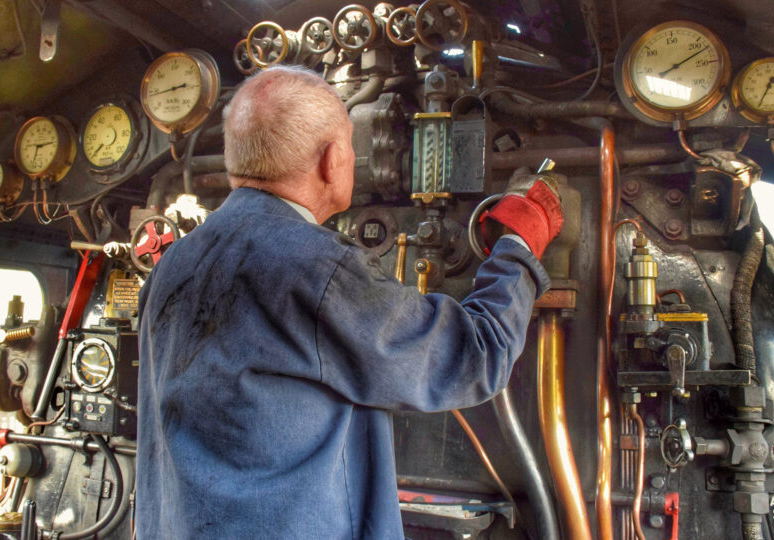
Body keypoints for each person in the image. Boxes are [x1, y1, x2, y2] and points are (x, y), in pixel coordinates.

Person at [136, 65, 562, 539]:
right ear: (331, 159)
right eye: (351, 146)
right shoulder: (316, 269)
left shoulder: (170, 267)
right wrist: (520, 247)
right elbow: (475, 356)